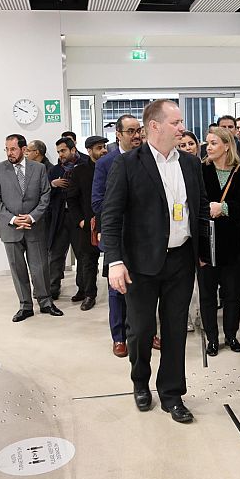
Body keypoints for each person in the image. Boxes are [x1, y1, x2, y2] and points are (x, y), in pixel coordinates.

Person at [102, 99, 208, 424]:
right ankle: (140, 382)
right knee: (141, 329)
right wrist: (114, 261)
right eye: (176, 122)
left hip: (180, 259)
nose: (182, 128)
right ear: (154, 126)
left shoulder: (189, 163)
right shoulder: (127, 164)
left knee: (175, 329)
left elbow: (200, 208)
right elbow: (111, 215)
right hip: (140, 263)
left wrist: (203, 252)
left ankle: (172, 393)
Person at [0, 134, 62, 321]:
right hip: (11, 229)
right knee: (17, 269)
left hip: (34, 227)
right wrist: (13, 219)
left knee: (40, 267)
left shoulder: (38, 168)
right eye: (7, 149)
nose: (9, 153)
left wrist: (32, 217)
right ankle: (25, 305)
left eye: (13, 149)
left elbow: (45, 195)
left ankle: (46, 302)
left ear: (23, 149)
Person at [92, 114, 147, 357]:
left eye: (139, 130)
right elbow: (97, 202)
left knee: (146, 287)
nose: (136, 136)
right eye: (130, 131)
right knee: (117, 289)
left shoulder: (148, 158)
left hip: (146, 236)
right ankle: (119, 337)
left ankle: (147, 332)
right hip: (118, 235)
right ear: (118, 134)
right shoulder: (106, 163)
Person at [198, 127, 240, 356]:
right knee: (208, 295)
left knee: (232, 294)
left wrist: (225, 208)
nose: (208, 147)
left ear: (227, 146)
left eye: (214, 143)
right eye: (207, 143)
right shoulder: (200, 171)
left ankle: (231, 335)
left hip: (234, 245)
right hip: (206, 244)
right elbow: (193, 206)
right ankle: (212, 338)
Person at [67, 136, 108, 311]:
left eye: (104, 147)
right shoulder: (80, 172)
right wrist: (80, 221)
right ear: (89, 151)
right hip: (88, 223)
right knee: (88, 261)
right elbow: (72, 199)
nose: (103, 150)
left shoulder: (114, 166)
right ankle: (89, 294)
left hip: (110, 221)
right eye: (99, 148)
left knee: (113, 260)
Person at [48, 137, 89, 301]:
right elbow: (45, 195)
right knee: (56, 254)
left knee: (82, 254)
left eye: (63, 151)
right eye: (58, 152)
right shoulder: (55, 170)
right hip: (61, 217)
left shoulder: (85, 165)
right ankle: (53, 287)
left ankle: (83, 289)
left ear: (73, 149)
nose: (60, 155)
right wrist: (53, 184)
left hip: (79, 217)